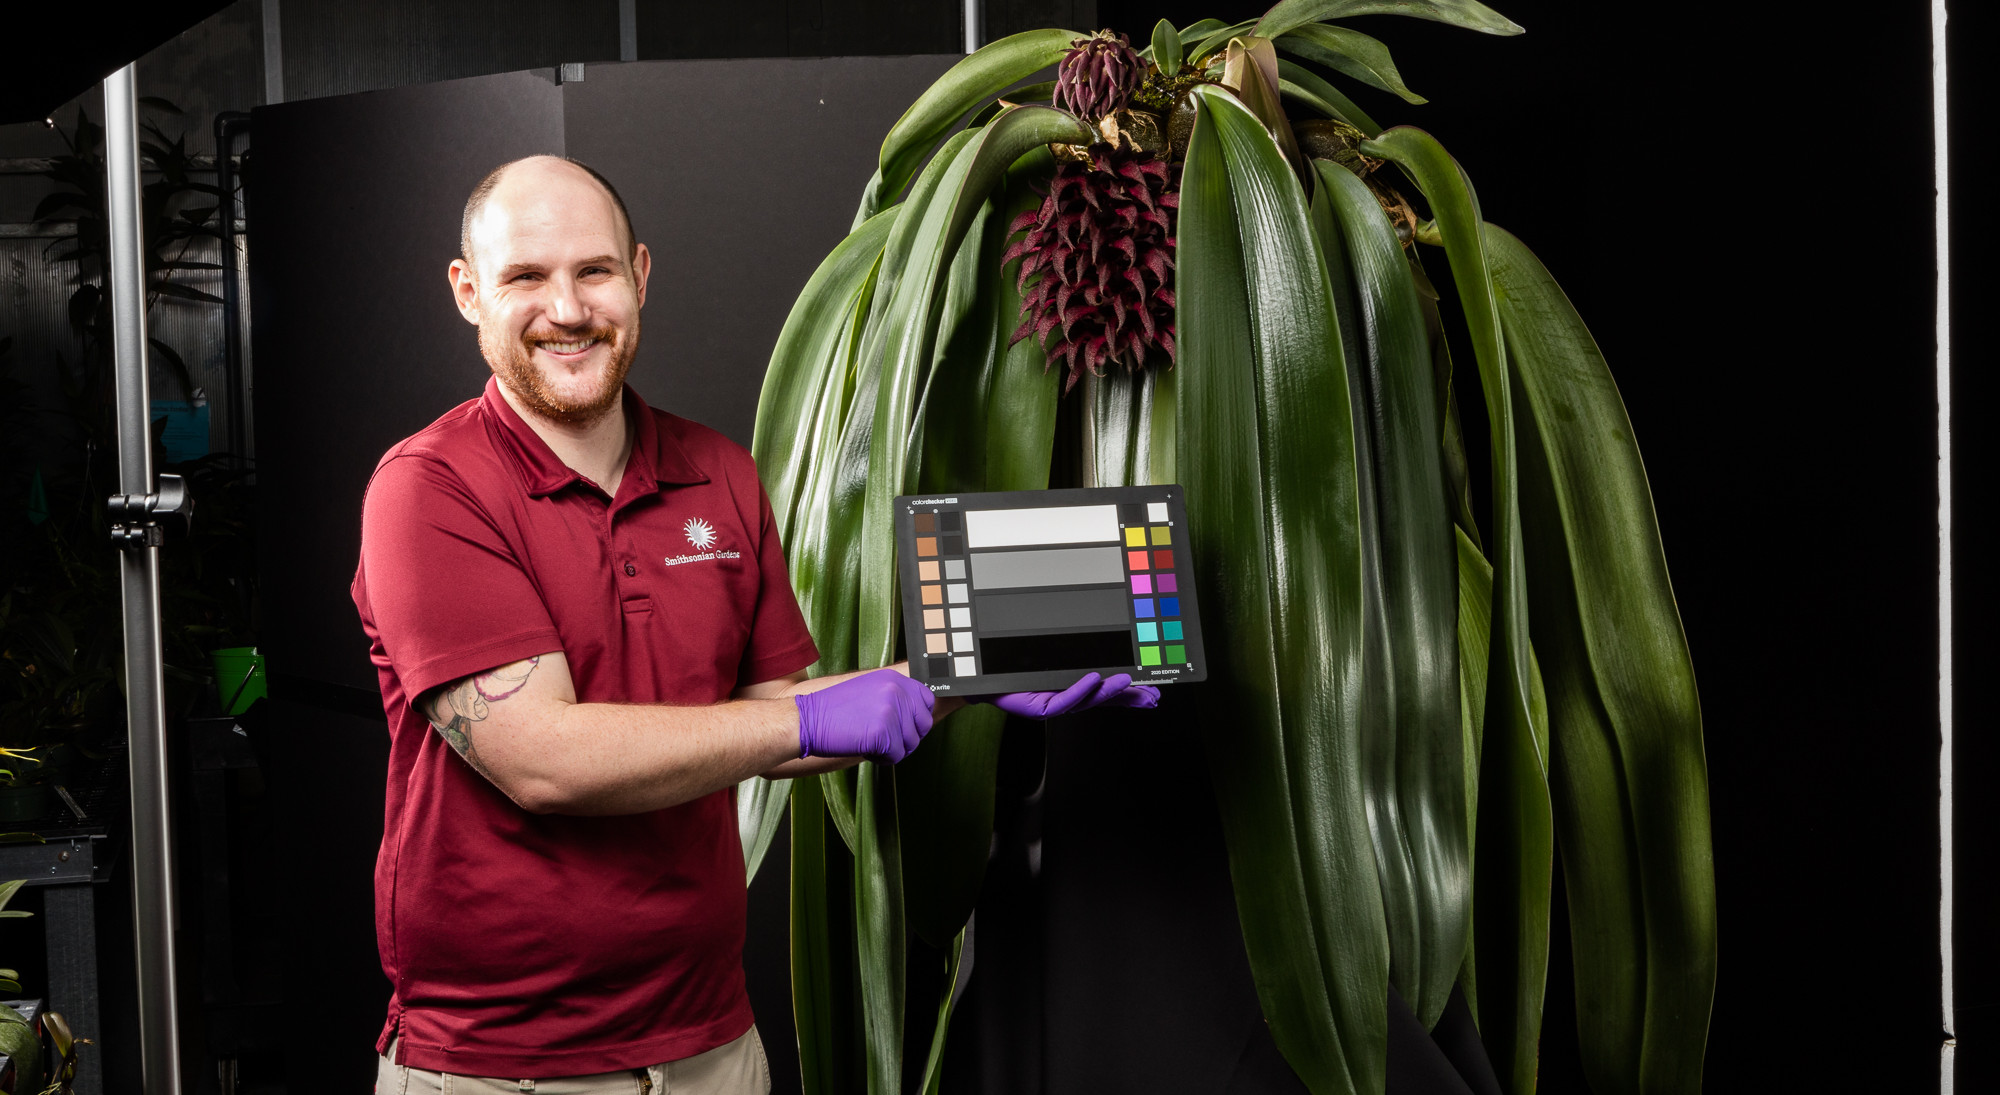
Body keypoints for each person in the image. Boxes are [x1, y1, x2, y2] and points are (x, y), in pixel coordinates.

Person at [352, 154, 1156, 1093]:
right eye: (526, 277)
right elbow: (541, 756)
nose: (567, 309)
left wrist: (948, 680)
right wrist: (808, 718)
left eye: (595, 271)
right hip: (501, 1066)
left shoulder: (718, 472)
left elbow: (771, 710)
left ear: (640, 275)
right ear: (467, 293)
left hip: (714, 1048)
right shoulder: (427, 489)